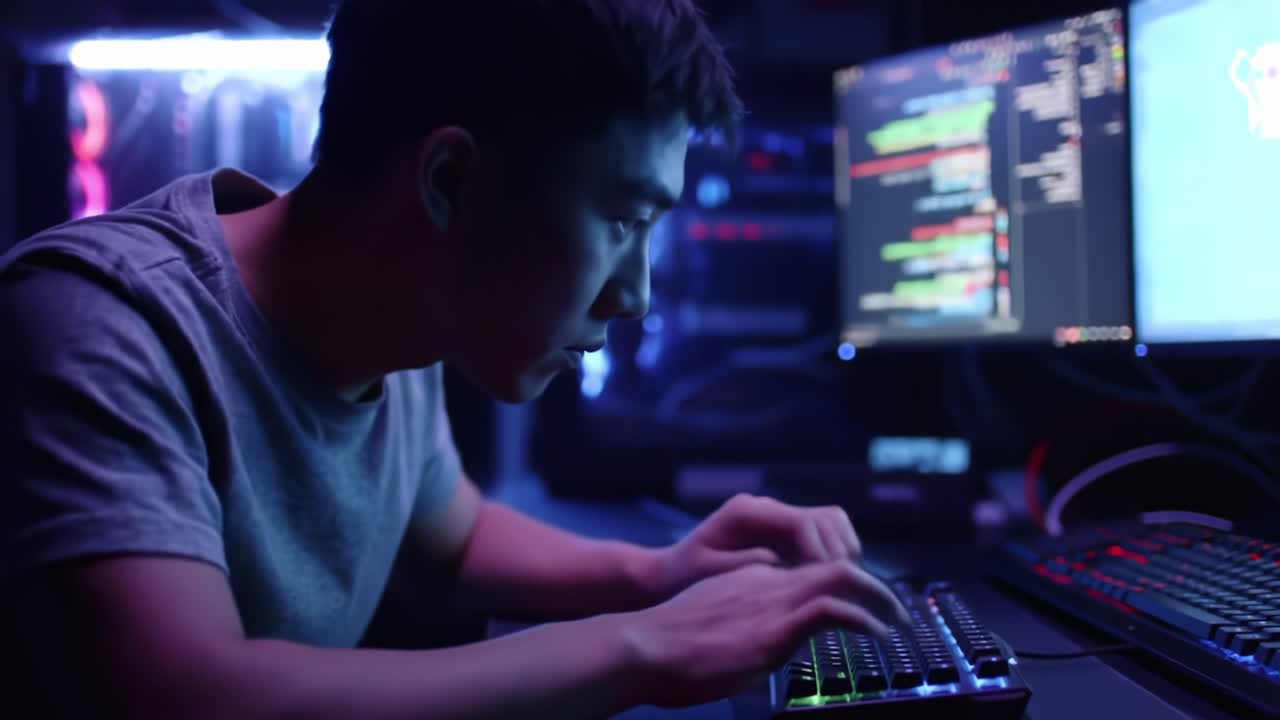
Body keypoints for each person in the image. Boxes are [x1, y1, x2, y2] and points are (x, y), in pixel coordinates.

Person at [0, 1, 909, 718]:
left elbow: (448, 539)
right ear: (449, 184)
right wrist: (648, 648)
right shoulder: (99, 324)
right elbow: (192, 699)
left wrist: (661, 573)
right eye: (624, 221)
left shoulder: (403, 307)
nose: (634, 295)